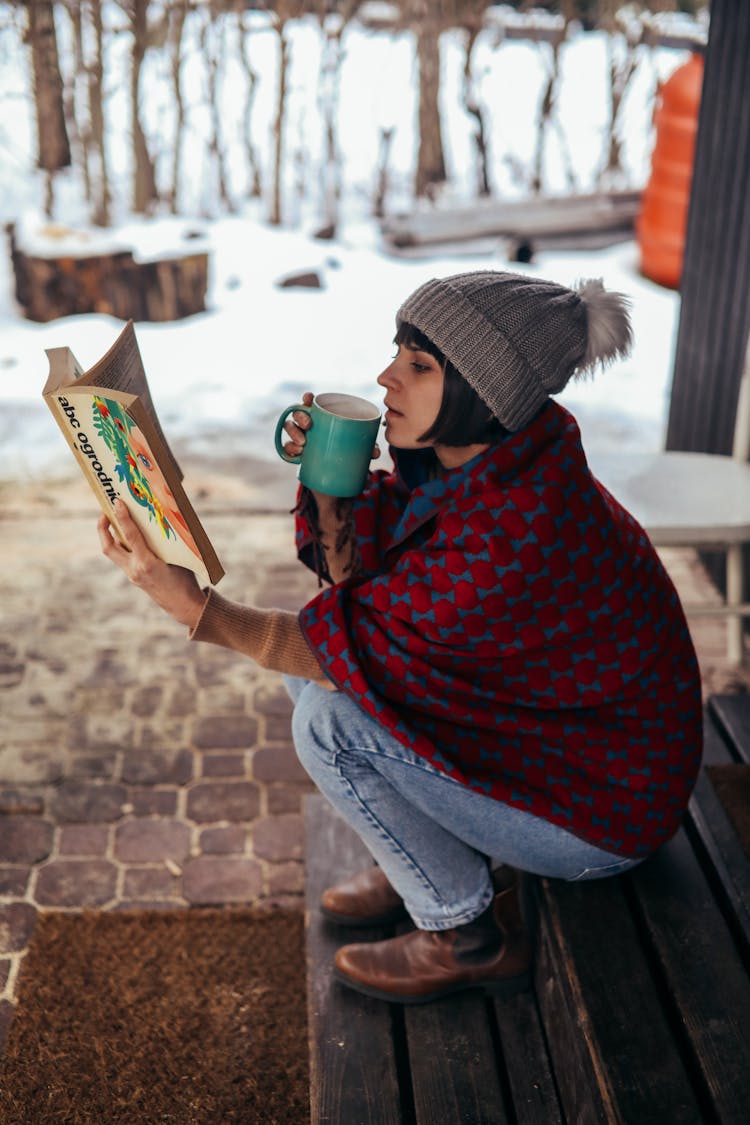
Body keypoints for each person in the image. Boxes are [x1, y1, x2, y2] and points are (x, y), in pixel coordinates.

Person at [99, 269, 703, 1005]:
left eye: (419, 367)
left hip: (600, 817)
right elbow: (363, 594)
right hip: (554, 751)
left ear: (488, 392)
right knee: (322, 683)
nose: (387, 377)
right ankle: (421, 850)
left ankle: (470, 933)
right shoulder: (493, 464)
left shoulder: (515, 535)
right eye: (397, 353)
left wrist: (196, 606)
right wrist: (330, 476)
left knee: (329, 721)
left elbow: (346, 641)